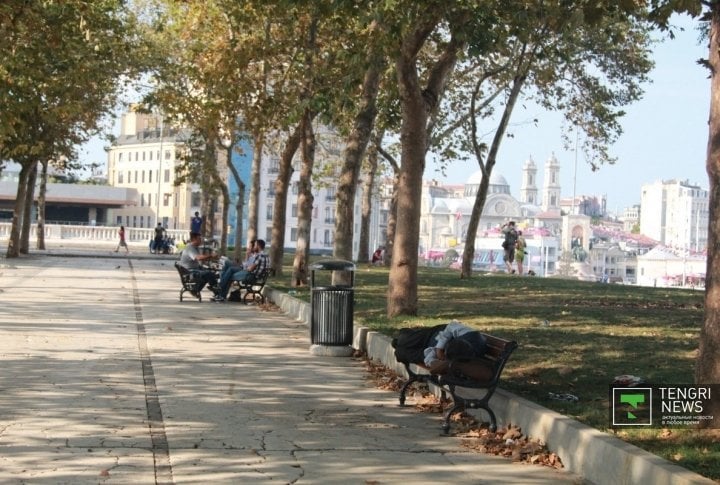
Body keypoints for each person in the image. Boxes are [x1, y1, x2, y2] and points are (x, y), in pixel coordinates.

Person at [392, 320, 487, 375]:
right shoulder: (471, 335)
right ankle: (402, 338)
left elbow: (433, 366)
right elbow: (451, 326)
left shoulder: (465, 356)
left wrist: (434, 360)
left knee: (400, 353)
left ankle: (400, 348)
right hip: (435, 334)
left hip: (428, 351)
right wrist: (439, 348)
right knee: (403, 339)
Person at [178, 232, 221, 296]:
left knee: (210, 272)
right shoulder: (190, 248)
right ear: (193, 239)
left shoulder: (195, 247)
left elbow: (202, 258)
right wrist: (211, 256)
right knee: (209, 274)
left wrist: (212, 259)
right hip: (190, 272)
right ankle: (217, 291)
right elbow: (199, 258)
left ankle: (212, 289)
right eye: (199, 239)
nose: (201, 240)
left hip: (193, 270)